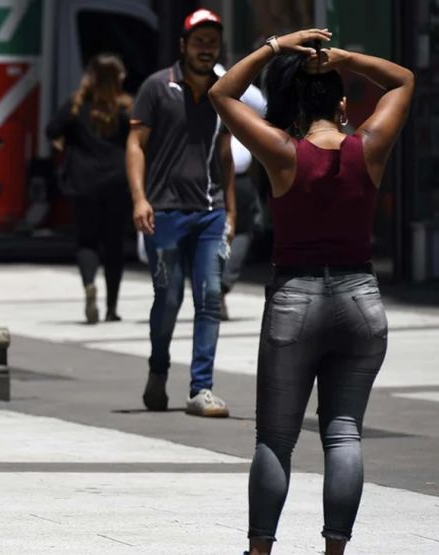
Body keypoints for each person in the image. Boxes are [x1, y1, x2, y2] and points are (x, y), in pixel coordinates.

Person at [209, 29, 413, 555]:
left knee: (276, 440)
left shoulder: (282, 153)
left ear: (295, 103)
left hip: (295, 299)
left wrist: (277, 47)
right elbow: (404, 80)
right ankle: (335, 550)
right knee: (344, 433)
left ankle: (260, 550)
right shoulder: (368, 148)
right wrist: (347, 57)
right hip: (360, 298)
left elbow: (222, 94)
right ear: (343, 106)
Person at [126, 8, 234, 417]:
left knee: (208, 298)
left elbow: (224, 153)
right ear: (183, 46)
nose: (206, 49)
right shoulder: (157, 87)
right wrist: (139, 198)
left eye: (212, 41)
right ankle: (158, 369)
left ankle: (201, 388)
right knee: (168, 298)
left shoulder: (224, 90)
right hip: (165, 212)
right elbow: (135, 144)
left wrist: (232, 211)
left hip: (210, 213)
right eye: (199, 41)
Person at [47, 53, 131, 324]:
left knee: (87, 241)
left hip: (83, 182)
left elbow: (51, 130)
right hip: (117, 181)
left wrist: (66, 143)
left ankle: (88, 284)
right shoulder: (126, 107)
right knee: (114, 244)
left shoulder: (76, 105)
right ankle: (112, 308)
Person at [214, 64, 267, 321]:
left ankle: (220, 287)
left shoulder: (238, 84)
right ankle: (212, 286)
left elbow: (265, 109)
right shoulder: (181, 87)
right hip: (208, 178)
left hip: (240, 177)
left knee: (243, 230)